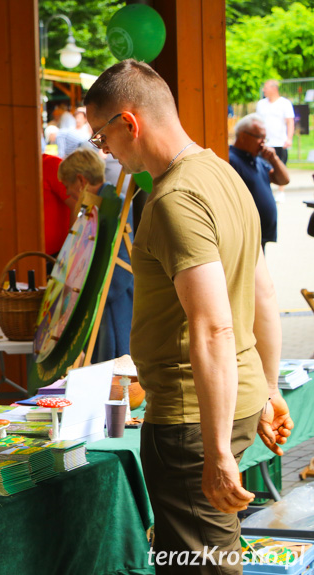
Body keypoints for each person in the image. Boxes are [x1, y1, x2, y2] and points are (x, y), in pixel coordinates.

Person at [85, 59, 292, 573]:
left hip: (192, 416)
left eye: (100, 135)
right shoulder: (221, 171)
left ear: (129, 123)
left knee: (200, 563)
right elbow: (262, 291)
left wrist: (217, 450)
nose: (102, 149)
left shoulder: (176, 197)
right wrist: (268, 387)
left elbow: (214, 326)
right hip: (225, 401)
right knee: (203, 552)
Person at [58, 148, 133, 362]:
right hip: (102, 298)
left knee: (113, 370)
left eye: (67, 186)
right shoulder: (93, 205)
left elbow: (123, 261)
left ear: (81, 181)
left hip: (113, 302)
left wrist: (93, 298)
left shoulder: (113, 204)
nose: (67, 193)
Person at [229, 114, 291, 251]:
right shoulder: (231, 159)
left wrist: (274, 159)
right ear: (243, 136)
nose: (263, 143)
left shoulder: (257, 158)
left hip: (260, 235)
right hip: (244, 236)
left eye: (265, 138)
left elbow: (284, 180)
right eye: (259, 137)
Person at [255, 80, 295, 202]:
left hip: (279, 142)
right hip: (265, 142)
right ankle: (267, 191)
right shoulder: (261, 104)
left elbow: (290, 121)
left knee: (280, 165)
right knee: (262, 166)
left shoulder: (285, 103)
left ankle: (281, 191)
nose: (263, 90)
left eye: (266, 87)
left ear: (274, 89)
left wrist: (289, 138)